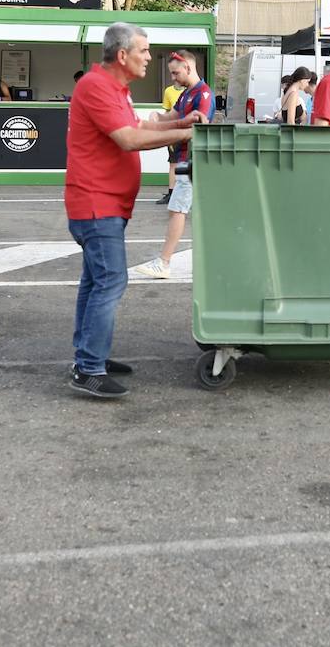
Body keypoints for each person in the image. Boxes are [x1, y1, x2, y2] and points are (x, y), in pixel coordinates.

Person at [65, 23, 202, 398]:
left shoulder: (113, 88)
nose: (149, 57)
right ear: (122, 55)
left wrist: (180, 121)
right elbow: (128, 139)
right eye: (144, 50)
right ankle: (88, 367)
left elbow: (138, 123)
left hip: (103, 204)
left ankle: (89, 354)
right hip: (96, 204)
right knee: (110, 282)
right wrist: (185, 134)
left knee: (95, 282)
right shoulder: (95, 87)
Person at [132, 50, 215, 280]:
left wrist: (158, 127)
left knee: (177, 210)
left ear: (188, 67)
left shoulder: (203, 94)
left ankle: (165, 262)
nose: (173, 78)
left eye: (175, 72)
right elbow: (171, 117)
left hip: (192, 161)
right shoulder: (188, 93)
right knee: (184, 211)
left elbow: (198, 129)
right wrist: (156, 119)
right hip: (187, 161)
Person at [156, 75, 189, 204]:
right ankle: (171, 193)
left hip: (186, 131)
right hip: (173, 131)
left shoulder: (189, 92)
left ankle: (185, 194)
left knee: (187, 164)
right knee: (173, 163)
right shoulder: (168, 91)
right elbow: (167, 112)